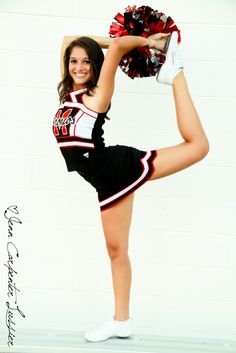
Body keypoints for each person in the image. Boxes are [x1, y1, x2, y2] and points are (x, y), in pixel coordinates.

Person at [52, 31, 209, 342]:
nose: (79, 66)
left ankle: (174, 74)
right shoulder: (67, 95)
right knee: (116, 250)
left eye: (86, 61)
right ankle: (121, 321)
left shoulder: (97, 95)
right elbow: (70, 38)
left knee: (198, 147)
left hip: (117, 168)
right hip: (104, 180)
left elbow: (121, 46)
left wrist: (149, 42)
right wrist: (91, 45)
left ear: (96, 65)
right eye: (74, 61)